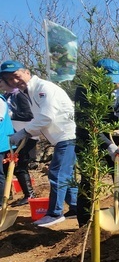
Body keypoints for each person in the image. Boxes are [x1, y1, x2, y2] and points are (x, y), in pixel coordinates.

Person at [1, 60, 78, 227]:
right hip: (60, 137)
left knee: (57, 174)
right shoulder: (29, 92)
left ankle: (55, 213)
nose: (14, 81)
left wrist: (24, 132)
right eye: (9, 79)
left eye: (16, 76)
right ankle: (76, 207)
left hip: (67, 136)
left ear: (27, 72)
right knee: (67, 175)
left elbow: (47, 117)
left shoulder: (43, 88)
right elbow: (40, 119)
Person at [74, 58, 119, 231]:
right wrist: (106, 144)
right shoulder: (85, 91)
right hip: (91, 139)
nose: (113, 85)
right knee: (89, 179)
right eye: (108, 83)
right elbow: (85, 121)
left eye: (116, 81)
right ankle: (86, 222)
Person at [0, 79, 37, 207]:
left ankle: (29, 194)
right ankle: (6, 194)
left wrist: (11, 115)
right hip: (14, 136)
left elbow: (29, 114)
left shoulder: (20, 95)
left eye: (2, 80)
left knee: (21, 166)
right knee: (6, 166)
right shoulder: (6, 96)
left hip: (27, 135)